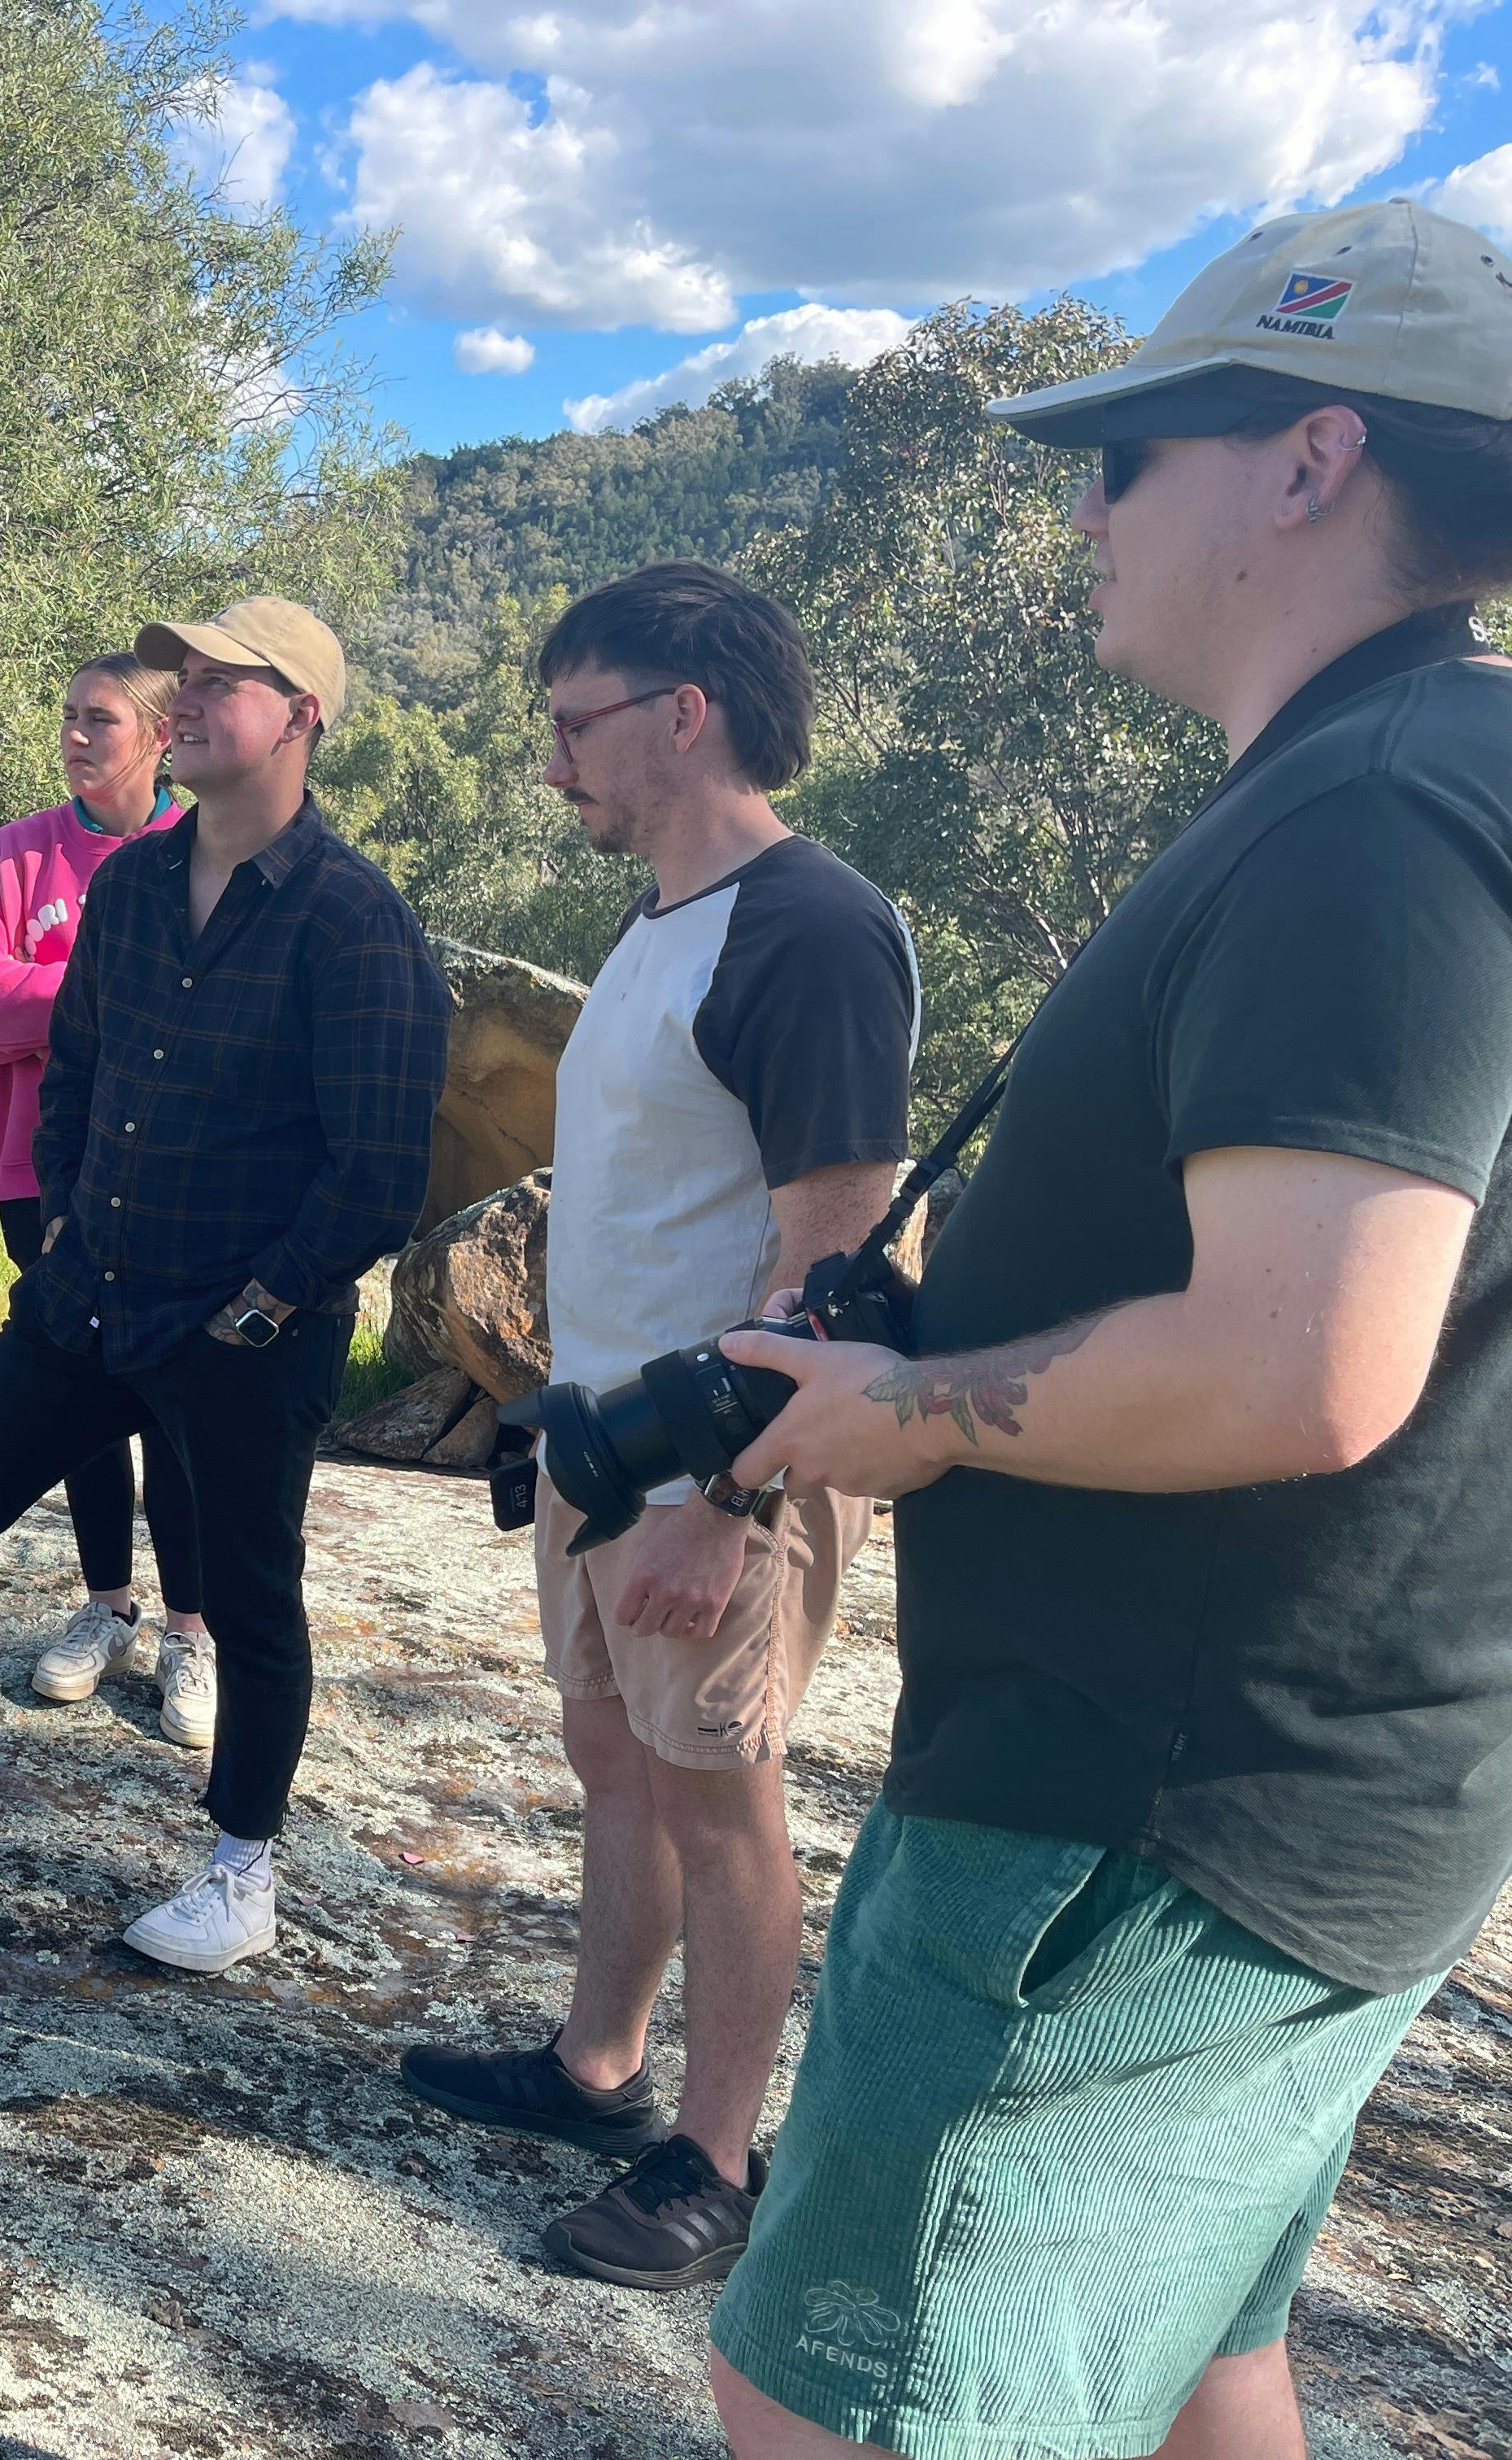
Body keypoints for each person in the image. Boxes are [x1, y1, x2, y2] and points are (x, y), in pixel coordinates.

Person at [697, 199, 1512, 2460]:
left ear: (1313, 458)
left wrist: (911, 1410)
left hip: (1131, 1832)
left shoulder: (1377, 810)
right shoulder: (1422, 767)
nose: (1086, 508)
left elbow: (1301, 1360)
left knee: (836, 2405)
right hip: (1303, 1803)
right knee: (1196, 2377)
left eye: (1129, 456)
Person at [0, 599, 448, 1977]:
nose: (187, 698)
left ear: (303, 715)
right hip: (91, 1297)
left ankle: (240, 1871)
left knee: (247, 1596)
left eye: (224, 680)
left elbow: (377, 1170)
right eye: (182, 677)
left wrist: (260, 1307)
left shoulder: (355, 919)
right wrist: (64, 1220)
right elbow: (72, 1071)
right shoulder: (132, 886)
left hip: (244, 1332)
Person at [395, 563, 917, 2292]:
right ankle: (595, 2069)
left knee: (720, 1799)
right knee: (613, 1758)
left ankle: (716, 2160)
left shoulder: (811, 928)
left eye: (574, 724)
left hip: (719, 1468)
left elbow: (831, 1266)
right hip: (606, 1442)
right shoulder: (658, 921)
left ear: (682, 714)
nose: (554, 763)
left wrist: (729, 1502)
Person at [0, 653, 211, 1735]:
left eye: (100, 720)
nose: (74, 736)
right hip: (38, 1172)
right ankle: (107, 1605)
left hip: (171, 1185)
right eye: (68, 717)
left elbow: (206, 1017)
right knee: (81, 1396)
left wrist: (51, 989)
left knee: (176, 1401)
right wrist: (107, 992)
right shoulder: (18, 852)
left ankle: (193, 1630)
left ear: (160, 736)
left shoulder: (204, 852)